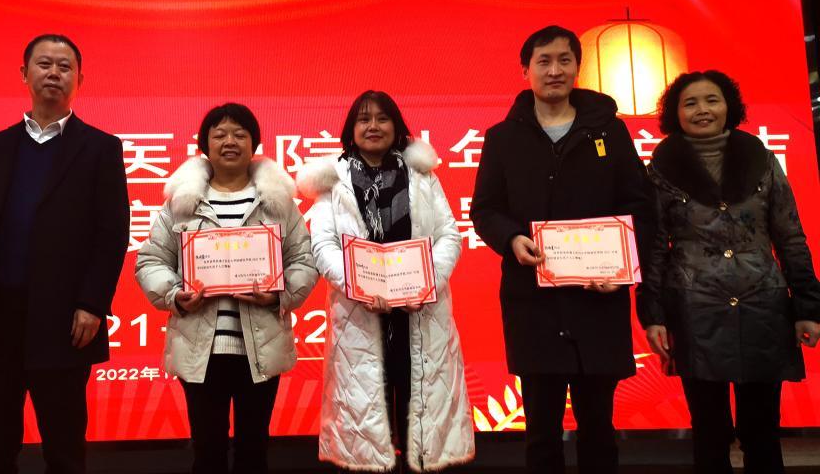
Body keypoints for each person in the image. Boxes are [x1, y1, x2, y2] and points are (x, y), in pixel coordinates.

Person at [0, 34, 130, 474]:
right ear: (24, 74)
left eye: (65, 67)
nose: (54, 73)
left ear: (80, 80)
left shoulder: (101, 148)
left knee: (64, 447)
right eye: (44, 64)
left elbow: (111, 234)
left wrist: (92, 303)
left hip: (63, 319)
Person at [469, 25, 653, 474]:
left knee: (599, 429)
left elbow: (639, 205)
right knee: (541, 434)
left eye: (564, 60)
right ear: (525, 70)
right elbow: (485, 209)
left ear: (577, 67)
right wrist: (512, 239)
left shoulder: (610, 131)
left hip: (599, 301)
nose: (555, 70)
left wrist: (623, 269)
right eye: (544, 61)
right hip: (534, 305)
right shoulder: (502, 138)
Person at [636, 70, 820, 474]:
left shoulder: (761, 159)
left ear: (728, 107)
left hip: (763, 305)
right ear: (675, 114)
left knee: (762, 430)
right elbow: (654, 247)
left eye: (712, 100)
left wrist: (808, 306)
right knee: (709, 430)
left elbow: (790, 234)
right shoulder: (661, 169)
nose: (702, 110)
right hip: (694, 308)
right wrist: (653, 315)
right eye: (690, 103)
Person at [297, 90, 474, 473]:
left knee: (420, 421)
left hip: (420, 314)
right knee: (367, 426)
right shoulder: (333, 181)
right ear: (351, 129)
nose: (373, 126)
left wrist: (427, 284)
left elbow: (448, 235)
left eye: (382, 118)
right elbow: (323, 245)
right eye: (364, 119)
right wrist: (357, 287)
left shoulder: (423, 176)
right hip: (360, 315)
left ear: (396, 126)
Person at [136, 103, 317, 474]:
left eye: (239, 134)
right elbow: (150, 260)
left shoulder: (279, 203)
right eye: (219, 135)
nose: (229, 142)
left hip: (261, 347)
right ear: (205, 145)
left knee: (254, 450)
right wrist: (174, 295)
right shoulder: (181, 203)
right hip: (201, 349)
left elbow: (304, 260)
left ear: (254, 144)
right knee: (208, 452)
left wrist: (279, 294)